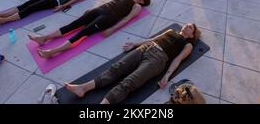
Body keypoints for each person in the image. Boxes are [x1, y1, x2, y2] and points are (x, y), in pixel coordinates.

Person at [63, 23, 200, 104]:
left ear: (192, 35)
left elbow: (177, 60)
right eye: (187, 24)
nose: (187, 25)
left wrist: (167, 76)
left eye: (191, 27)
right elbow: (152, 39)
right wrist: (134, 43)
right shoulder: (170, 31)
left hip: (158, 59)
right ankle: (83, 88)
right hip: (146, 48)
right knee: (116, 68)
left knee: (129, 82)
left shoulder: (188, 45)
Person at [30, 0, 152, 59]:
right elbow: (110, 2)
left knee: (82, 33)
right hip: (100, 10)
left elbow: (126, 19)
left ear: (143, 0)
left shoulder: (137, 6)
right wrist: (92, 10)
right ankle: (44, 38)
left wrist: (112, 29)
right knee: (73, 24)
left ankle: (52, 52)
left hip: (107, 18)